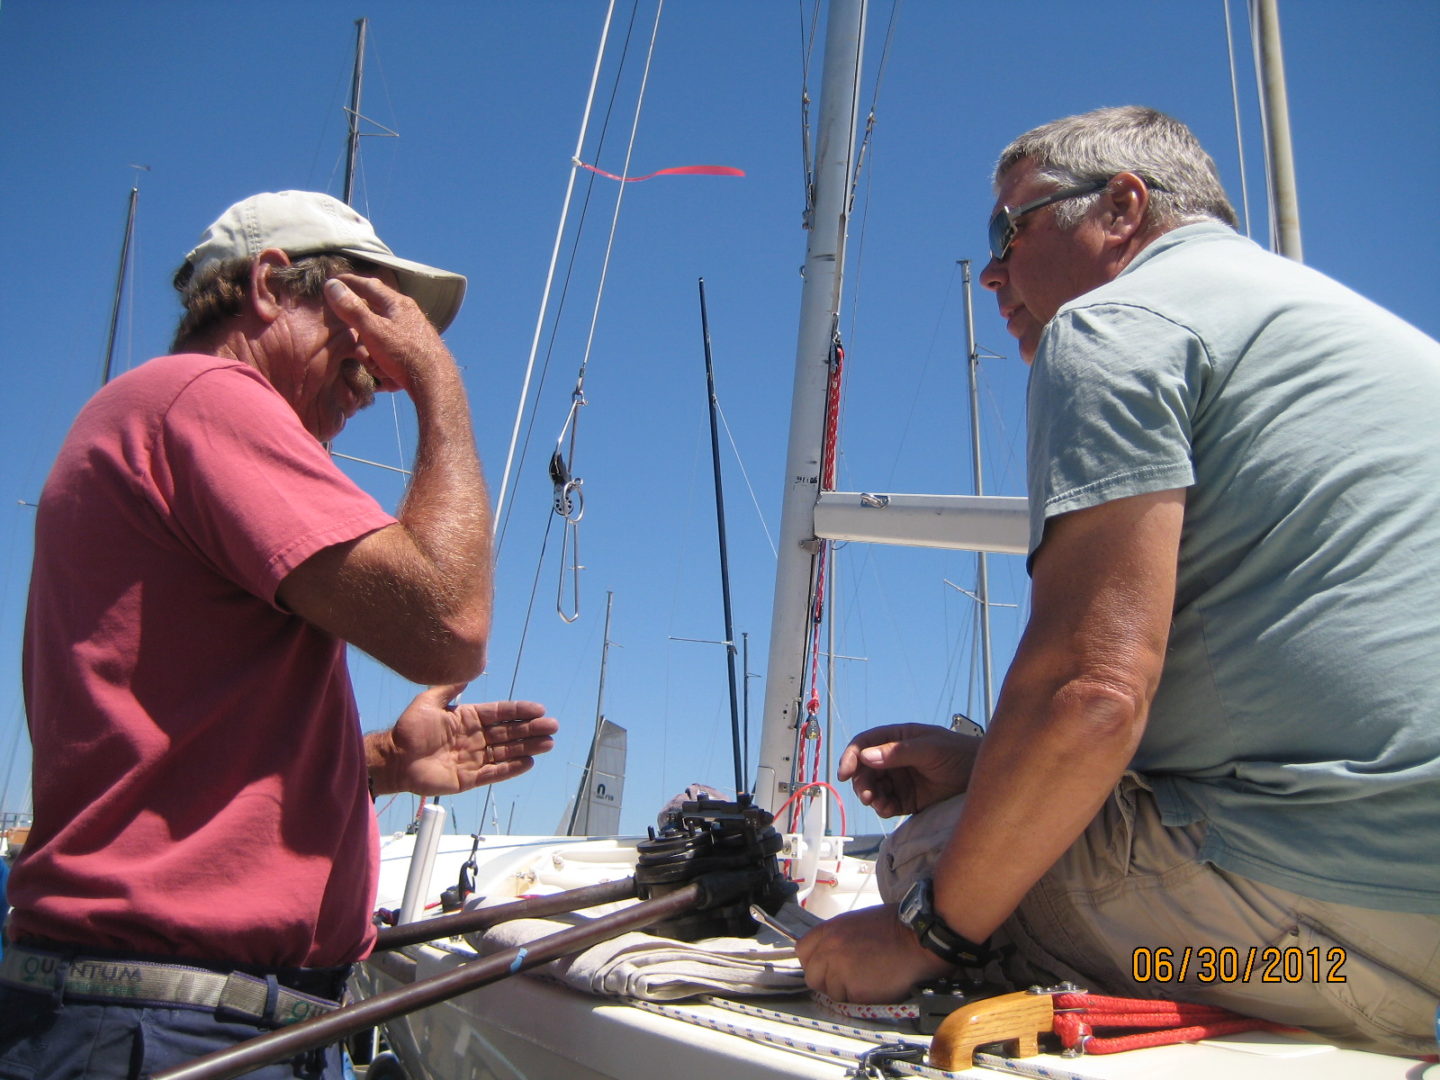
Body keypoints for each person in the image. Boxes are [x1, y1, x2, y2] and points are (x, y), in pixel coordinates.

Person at [797, 107, 1440, 1056]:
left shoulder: (1114, 325)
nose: (992, 272)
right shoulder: (1361, 336)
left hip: (1342, 953)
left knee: (929, 855)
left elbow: (1093, 693)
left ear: (1123, 208)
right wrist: (987, 765)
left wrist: (920, 933)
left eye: (1007, 229)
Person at [0, 191, 559, 1079]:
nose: (381, 366)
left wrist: (377, 764)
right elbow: (450, 625)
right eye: (371, 312)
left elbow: (170, 747)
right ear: (269, 285)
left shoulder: (159, 419)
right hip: (171, 1024)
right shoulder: (206, 398)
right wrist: (440, 380)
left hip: (167, 1019)